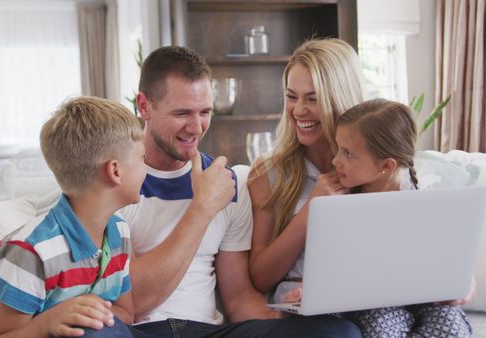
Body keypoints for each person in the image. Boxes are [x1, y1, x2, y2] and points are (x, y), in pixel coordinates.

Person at [117, 45, 361, 337]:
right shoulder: (115, 183)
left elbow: (238, 298)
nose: (196, 127)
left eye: (205, 112)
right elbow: (133, 305)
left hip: (209, 331)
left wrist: (287, 320)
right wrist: (202, 208)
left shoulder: (228, 184)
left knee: (339, 333)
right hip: (139, 331)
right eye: (182, 113)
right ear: (144, 106)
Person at [0, 97, 146, 338]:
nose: (146, 167)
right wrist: (49, 322)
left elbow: (126, 313)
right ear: (115, 171)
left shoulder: (120, 233)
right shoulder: (30, 252)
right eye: (142, 158)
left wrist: (89, 317)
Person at [329, 98, 473, 338]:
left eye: (348, 154)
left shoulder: (430, 195)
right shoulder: (339, 202)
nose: (335, 161)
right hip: (373, 302)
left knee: (451, 328)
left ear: (386, 166)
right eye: (338, 149)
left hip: (429, 298)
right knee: (381, 329)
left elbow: (458, 264)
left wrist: (464, 288)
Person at [248, 38, 364, 304]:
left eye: (313, 99)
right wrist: (312, 210)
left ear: (341, 99)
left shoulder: (375, 166)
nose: (299, 110)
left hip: (367, 299)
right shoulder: (268, 172)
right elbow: (260, 277)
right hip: (307, 305)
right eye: (291, 97)